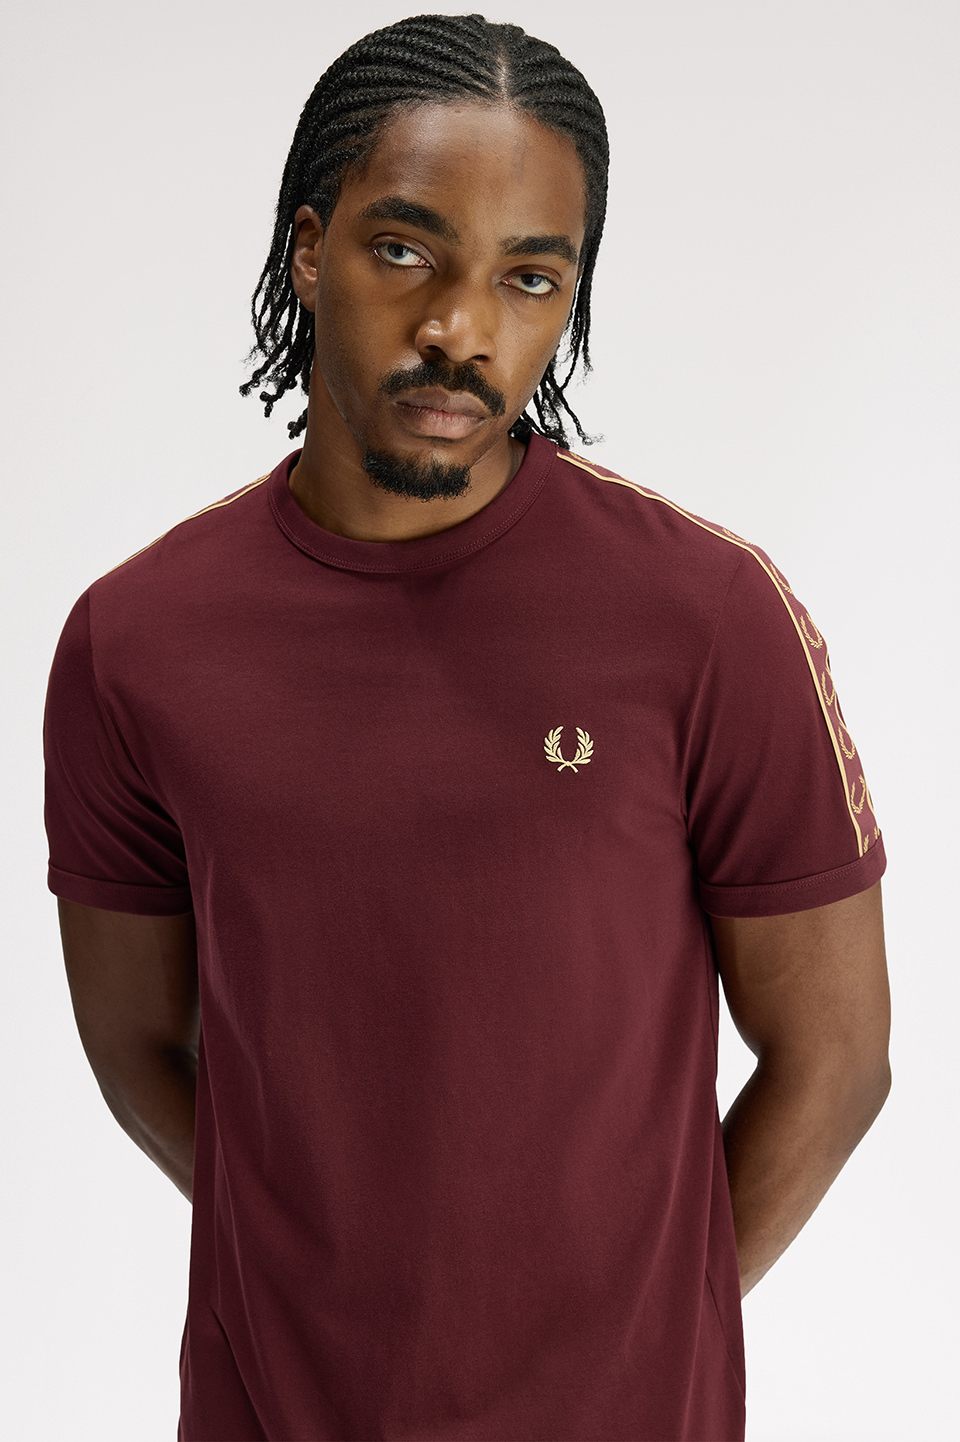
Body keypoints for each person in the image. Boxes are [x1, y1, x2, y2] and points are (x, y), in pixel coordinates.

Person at [43, 13, 891, 1441]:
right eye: (403, 250)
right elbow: (137, 1046)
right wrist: (329, 1273)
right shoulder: (137, 642)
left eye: (529, 277)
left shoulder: (706, 615)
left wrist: (646, 1322)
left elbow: (838, 1058)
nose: (461, 328)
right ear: (308, 248)